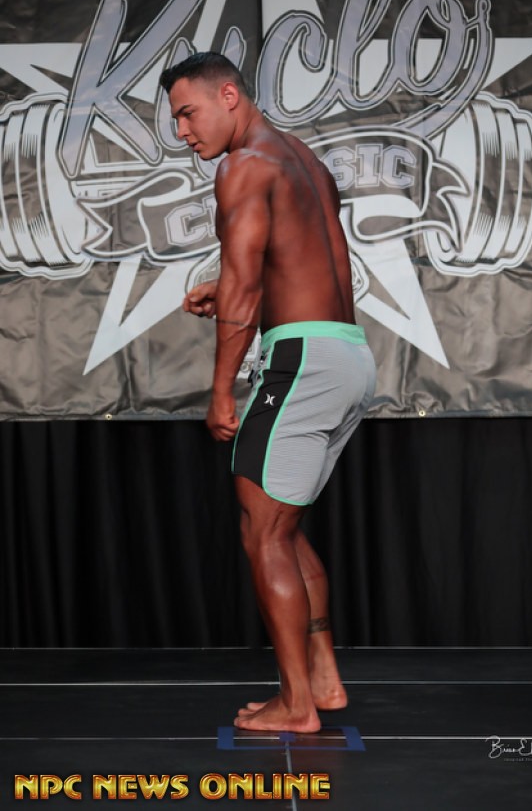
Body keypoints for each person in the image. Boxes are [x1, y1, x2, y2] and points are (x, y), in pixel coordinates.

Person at [160, 52, 376, 733]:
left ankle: (296, 705)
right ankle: (324, 681)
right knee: (281, 527)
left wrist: (221, 391)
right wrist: (223, 286)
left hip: (301, 361)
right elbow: (300, 260)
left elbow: (249, 288)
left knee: (262, 534)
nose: (182, 132)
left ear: (228, 95)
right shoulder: (301, 158)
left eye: (188, 113)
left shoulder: (242, 165)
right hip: (347, 355)